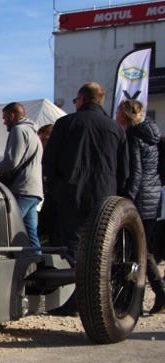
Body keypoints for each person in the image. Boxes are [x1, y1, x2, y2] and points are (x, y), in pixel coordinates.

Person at [42, 82, 129, 261]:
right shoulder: (117, 129)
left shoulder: (66, 123)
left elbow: (49, 160)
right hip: (105, 197)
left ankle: (77, 285)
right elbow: (124, 170)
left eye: (75, 100)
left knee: (73, 245)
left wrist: (55, 189)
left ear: (81, 99)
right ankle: (96, 286)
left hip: (70, 193)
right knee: (101, 246)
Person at [115, 98, 165, 314]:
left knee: (141, 251)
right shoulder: (154, 136)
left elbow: (135, 173)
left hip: (140, 198)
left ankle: (157, 295)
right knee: (144, 250)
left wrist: (126, 199)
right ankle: (149, 296)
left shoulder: (133, 137)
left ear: (124, 115)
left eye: (118, 111)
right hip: (154, 197)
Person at [0, 102, 44, 248]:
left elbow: (11, 162)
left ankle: (5, 266)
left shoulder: (19, 130)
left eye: (4, 118)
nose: (4, 122)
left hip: (22, 189)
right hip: (34, 191)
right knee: (30, 233)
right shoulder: (33, 132)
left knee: (6, 229)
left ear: (12, 115)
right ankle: (39, 263)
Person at [36, 123, 58, 246]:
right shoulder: (40, 157)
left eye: (45, 140)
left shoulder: (59, 155)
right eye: (41, 140)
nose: (43, 144)